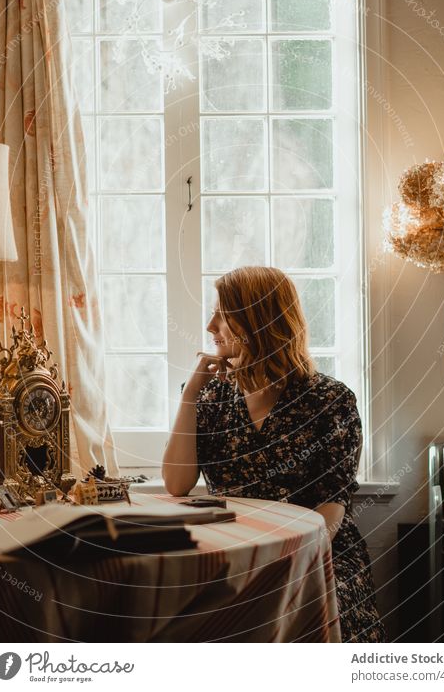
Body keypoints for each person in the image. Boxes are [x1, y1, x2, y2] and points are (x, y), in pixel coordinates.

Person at [162, 265, 386, 642]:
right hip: (232, 552)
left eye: (223, 314)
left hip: (315, 553)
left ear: (257, 322)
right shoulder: (209, 395)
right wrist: (189, 396)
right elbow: (178, 483)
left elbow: (332, 507)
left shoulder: (331, 400)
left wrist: (286, 563)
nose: (210, 325)